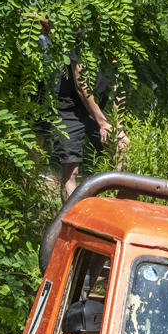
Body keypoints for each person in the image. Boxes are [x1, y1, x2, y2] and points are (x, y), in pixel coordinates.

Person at [35, 18, 113, 201]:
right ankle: (70, 215)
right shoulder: (78, 33)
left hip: (95, 108)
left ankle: (114, 203)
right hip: (67, 106)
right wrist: (103, 123)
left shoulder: (115, 42)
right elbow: (82, 86)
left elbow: (120, 89)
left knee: (122, 145)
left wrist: (118, 123)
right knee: (71, 172)